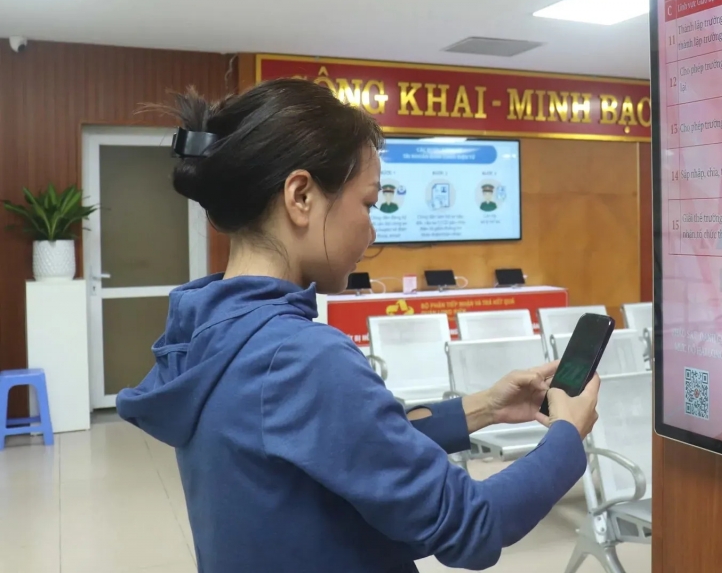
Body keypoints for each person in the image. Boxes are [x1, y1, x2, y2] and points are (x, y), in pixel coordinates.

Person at [116, 79, 600, 573]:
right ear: (301, 196)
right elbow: (470, 524)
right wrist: (566, 436)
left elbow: (344, 441)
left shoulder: (210, 332)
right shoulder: (300, 357)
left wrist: (484, 408)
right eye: (368, 203)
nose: (372, 229)